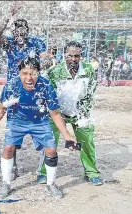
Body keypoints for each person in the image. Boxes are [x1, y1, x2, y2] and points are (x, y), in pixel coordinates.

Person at [0, 57, 77, 198]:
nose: (28, 78)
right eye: (24, 73)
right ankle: (6, 183)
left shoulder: (46, 86)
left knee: (51, 149)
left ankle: (51, 184)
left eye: (33, 73)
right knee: (8, 148)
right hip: (17, 120)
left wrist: (67, 136)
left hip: (40, 121)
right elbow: (1, 110)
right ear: (19, 73)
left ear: (39, 73)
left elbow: (55, 113)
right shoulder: (11, 86)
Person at [38, 41, 103, 186]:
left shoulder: (88, 70)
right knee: (49, 142)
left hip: (80, 112)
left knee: (87, 141)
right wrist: (57, 114)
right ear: (64, 55)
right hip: (58, 113)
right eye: (70, 56)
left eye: (76, 56)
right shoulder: (55, 72)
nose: (73, 59)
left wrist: (82, 112)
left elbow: (91, 92)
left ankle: (91, 172)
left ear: (81, 56)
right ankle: (43, 172)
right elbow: (49, 95)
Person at [0, 8, 47, 180]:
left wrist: (42, 63)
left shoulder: (36, 43)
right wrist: (9, 15)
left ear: (28, 32)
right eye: (17, 30)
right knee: (13, 129)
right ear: (13, 32)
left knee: (41, 127)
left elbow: (45, 59)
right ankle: (13, 166)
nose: (20, 34)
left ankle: (43, 171)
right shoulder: (10, 44)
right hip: (14, 91)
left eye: (23, 30)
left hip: (33, 90)